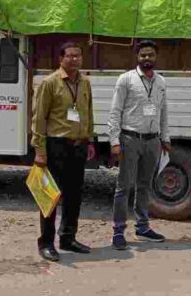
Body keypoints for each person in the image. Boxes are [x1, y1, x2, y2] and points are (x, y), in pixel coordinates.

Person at [31, 42, 97, 261]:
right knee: (51, 196)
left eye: (78, 56)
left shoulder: (85, 82)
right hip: (56, 146)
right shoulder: (50, 83)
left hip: (78, 146)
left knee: (74, 196)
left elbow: (88, 112)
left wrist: (89, 140)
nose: (75, 60)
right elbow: (39, 118)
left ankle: (68, 238)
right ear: (61, 59)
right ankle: (46, 243)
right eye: (70, 56)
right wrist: (40, 150)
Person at [108, 39, 172, 250]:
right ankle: (118, 231)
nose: (147, 58)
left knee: (145, 186)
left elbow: (163, 112)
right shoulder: (126, 80)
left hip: (152, 141)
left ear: (156, 57)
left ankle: (142, 227)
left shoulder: (161, 81)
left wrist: (165, 138)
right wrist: (114, 141)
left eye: (150, 55)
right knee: (124, 187)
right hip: (130, 139)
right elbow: (115, 112)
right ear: (137, 57)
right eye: (143, 55)